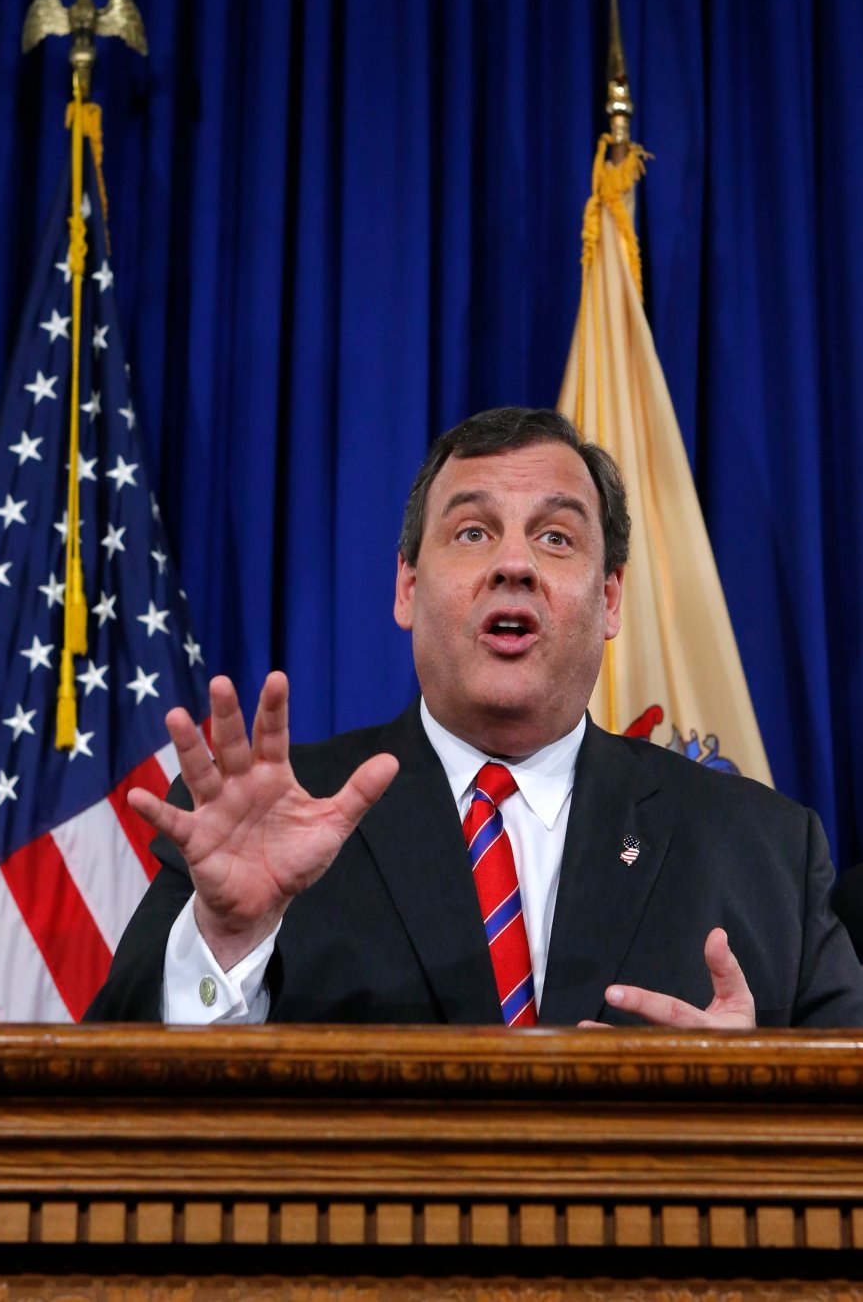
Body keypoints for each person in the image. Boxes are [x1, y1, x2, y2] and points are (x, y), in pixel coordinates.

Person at [85, 407, 863, 1027]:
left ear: (609, 598)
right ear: (406, 588)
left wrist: (756, 1096)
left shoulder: (762, 850)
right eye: (472, 532)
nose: (514, 563)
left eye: (555, 537)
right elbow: (107, 1116)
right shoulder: (271, 818)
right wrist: (226, 942)